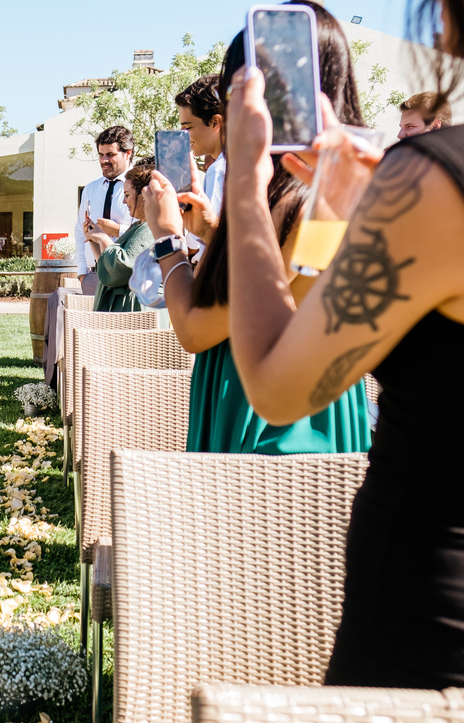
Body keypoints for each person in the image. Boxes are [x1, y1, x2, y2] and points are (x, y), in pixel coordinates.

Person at [222, 0, 464, 691]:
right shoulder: (430, 186)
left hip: (445, 641)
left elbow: (277, 388)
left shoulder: (445, 180)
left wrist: (246, 183)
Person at [142, 2, 372, 456]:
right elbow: (290, 282)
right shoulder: (337, 193)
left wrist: (168, 238)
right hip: (318, 401)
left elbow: (196, 330)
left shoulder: (288, 203)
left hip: (265, 416)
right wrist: (214, 232)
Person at [84, 164, 155, 312]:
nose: (124, 201)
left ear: (144, 195)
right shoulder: (137, 226)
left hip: (136, 312)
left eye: (127, 195)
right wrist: (93, 239)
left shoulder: (152, 228)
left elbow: (122, 267)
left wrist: (103, 238)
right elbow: (108, 268)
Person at [74, 126, 135, 295]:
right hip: (94, 276)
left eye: (110, 154)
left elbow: (148, 232)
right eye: (101, 155)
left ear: (128, 153)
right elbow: (79, 231)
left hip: (128, 277)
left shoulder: (141, 187)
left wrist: (117, 230)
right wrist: (82, 273)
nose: (104, 160)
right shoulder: (90, 189)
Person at [176, 75, 227, 247]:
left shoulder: (219, 170)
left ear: (215, 122)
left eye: (188, 127)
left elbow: (211, 246)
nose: (183, 134)